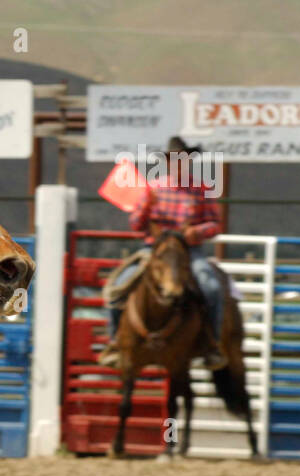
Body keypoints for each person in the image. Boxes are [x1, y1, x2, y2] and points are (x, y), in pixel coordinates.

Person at [97, 137, 227, 370]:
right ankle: (115, 341)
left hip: (188, 252)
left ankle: (211, 343)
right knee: (119, 286)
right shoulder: (152, 188)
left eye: (182, 160)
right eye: (173, 160)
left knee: (211, 286)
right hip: (154, 251)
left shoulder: (201, 189)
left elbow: (215, 224)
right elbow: (136, 224)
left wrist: (195, 232)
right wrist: (145, 208)